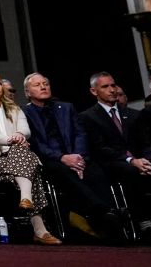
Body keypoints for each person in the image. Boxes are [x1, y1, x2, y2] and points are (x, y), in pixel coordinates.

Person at [21, 72, 121, 240]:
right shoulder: (24, 112)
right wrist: (62, 157)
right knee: (61, 171)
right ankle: (102, 212)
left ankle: (109, 220)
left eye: (45, 83)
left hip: (76, 156)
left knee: (96, 171)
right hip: (50, 160)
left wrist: (78, 157)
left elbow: (80, 133)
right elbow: (36, 143)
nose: (43, 87)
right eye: (37, 85)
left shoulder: (66, 107)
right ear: (27, 92)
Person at [0, 72, 60, 245]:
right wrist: (12, 139)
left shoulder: (14, 109)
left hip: (17, 162)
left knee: (22, 155)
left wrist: (19, 135)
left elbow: (25, 130)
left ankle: (27, 201)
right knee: (28, 162)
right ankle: (39, 228)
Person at [79, 71, 151, 244]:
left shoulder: (133, 114)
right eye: (105, 86)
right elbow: (100, 148)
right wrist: (131, 160)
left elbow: (147, 142)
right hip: (112, 164)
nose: (112, 90)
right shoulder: (87, 117)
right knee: (132, 172)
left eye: (113, 85)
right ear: (94, 91)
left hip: (142, 161)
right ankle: (146, 225)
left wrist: (148, 159)